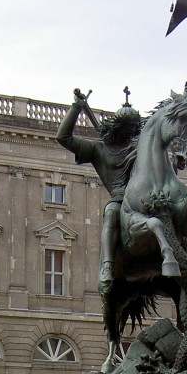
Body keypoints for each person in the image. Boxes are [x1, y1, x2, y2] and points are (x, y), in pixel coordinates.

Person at [55, 89, 142, 293]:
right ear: (119, 127)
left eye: (135, 127)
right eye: (129, 126)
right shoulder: (98, 150)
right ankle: (108, 265)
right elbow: (63, 137)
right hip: (120, 200)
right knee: (111, 213)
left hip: (144, 200)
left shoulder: (139, 149)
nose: (132, 131)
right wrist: (76, 108)